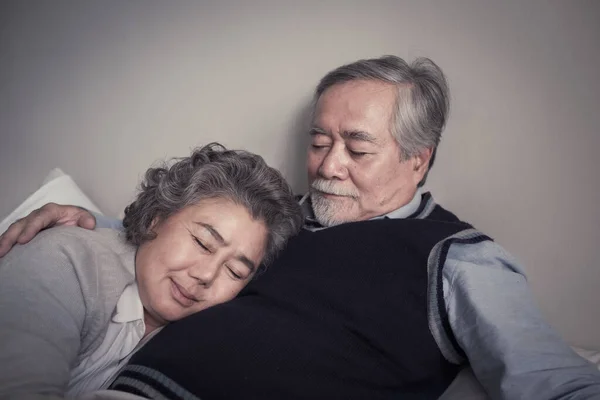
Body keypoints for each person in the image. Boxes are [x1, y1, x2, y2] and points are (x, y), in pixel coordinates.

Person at [2, 56, 600, 399]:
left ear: (418, 159)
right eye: (319, 142)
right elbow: (189, 233)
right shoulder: (281, 218)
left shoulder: (458, 258)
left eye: (356, 148)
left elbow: (552, 380)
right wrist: (85, 221)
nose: (327, 166)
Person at [0, 143, 303, 399]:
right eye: (202, 242)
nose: (206, 275)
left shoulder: (193, 335)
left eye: (235, 271)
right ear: (156, 218)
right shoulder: (64, 260)